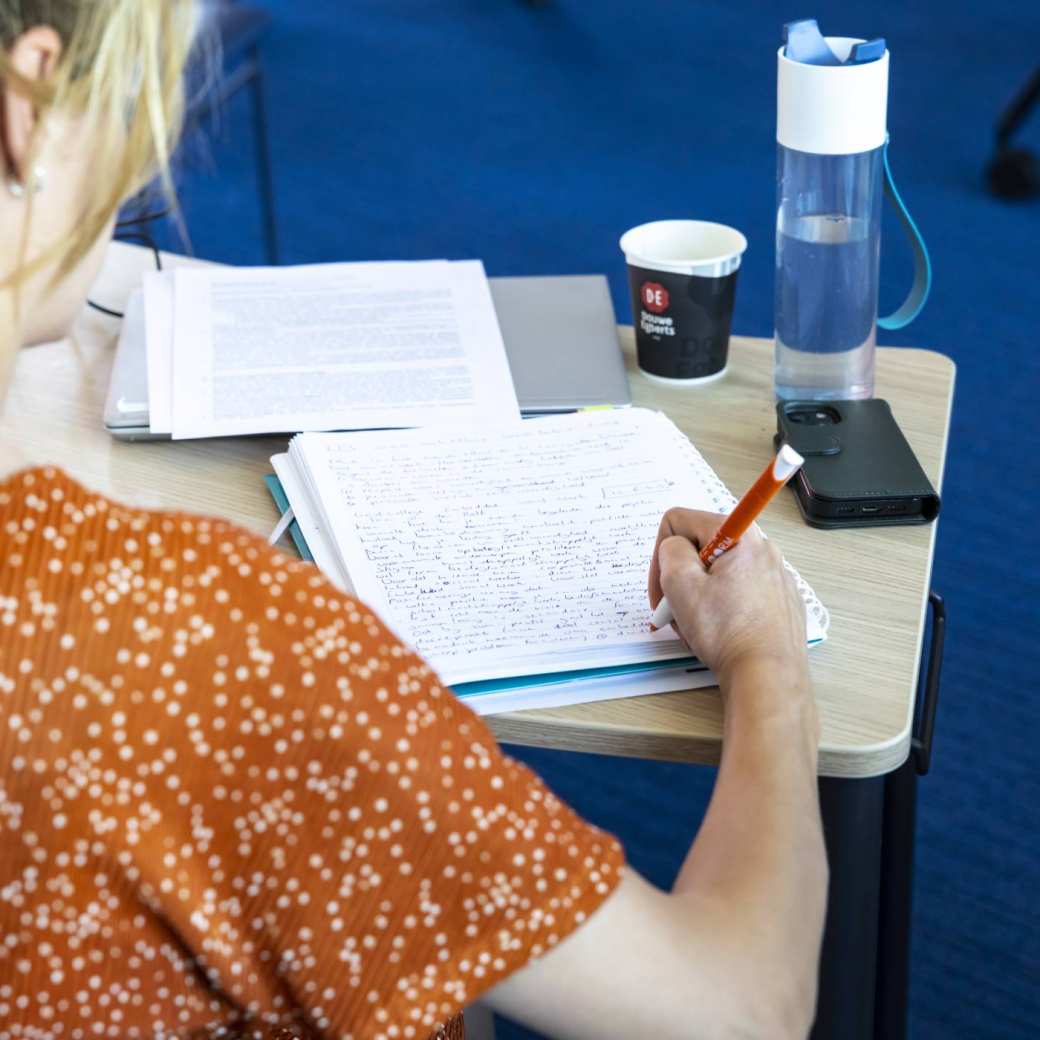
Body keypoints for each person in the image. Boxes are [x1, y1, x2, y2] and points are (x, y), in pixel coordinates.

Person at [0, 3, 828, 1038]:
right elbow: (743, 1009)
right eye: (140, 98)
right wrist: (767, 658)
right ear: (29, 99)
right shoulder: (191, 634)